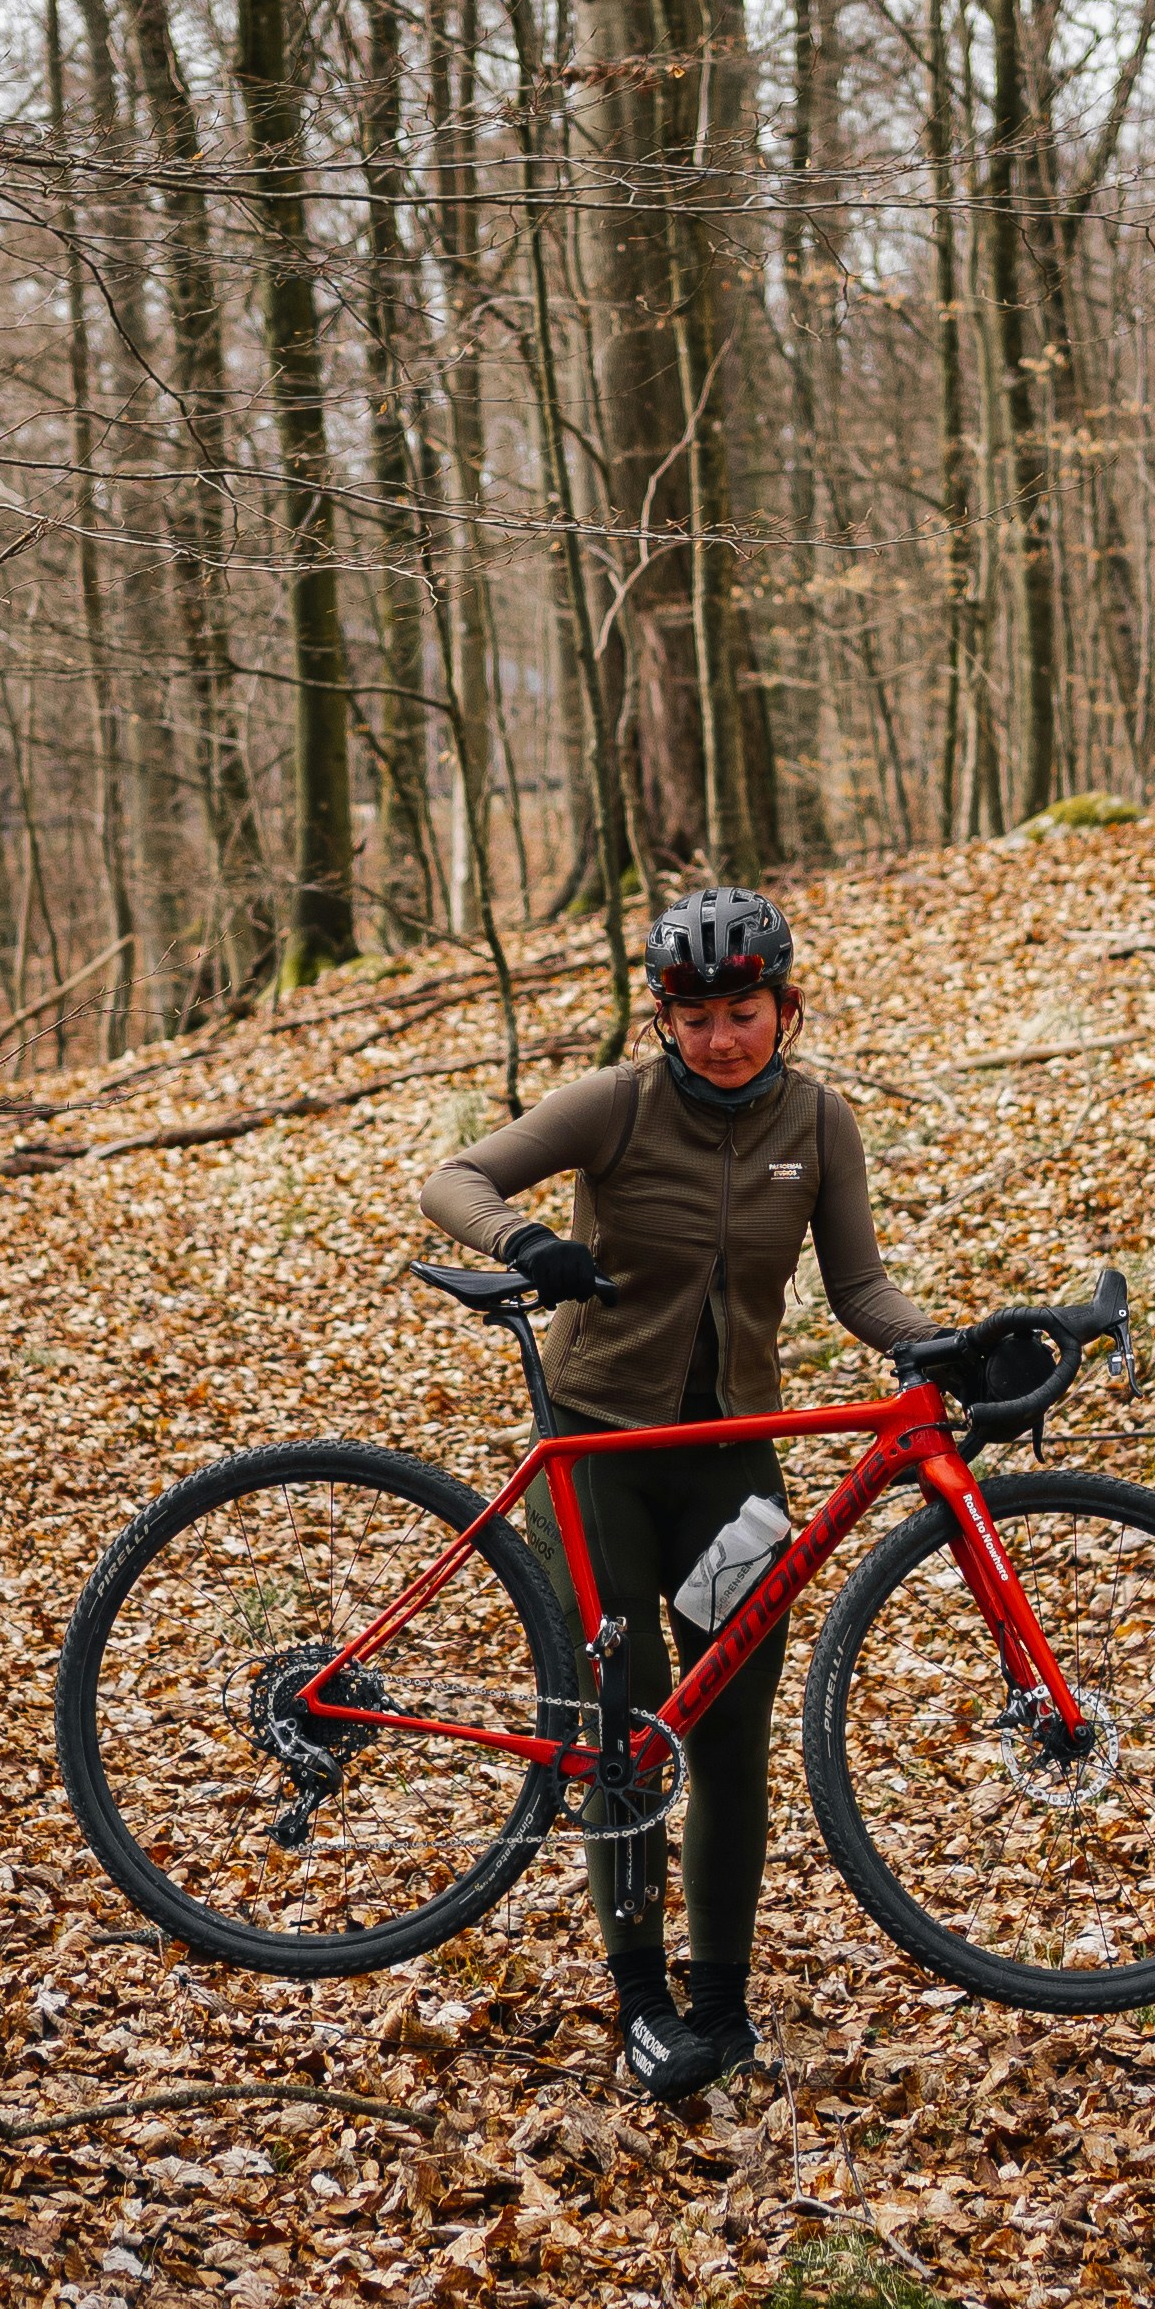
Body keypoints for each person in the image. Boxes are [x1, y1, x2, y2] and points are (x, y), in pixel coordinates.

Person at [415, 884, 942, 2108]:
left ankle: (721, 2006)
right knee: (627, 1725)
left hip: (731, 1464)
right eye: (694, 1014)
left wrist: (941, 1343)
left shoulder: (821, 1121)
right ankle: (641, 1998)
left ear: (785, 1007)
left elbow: (861, 1289)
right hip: (596, 1455)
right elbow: (454, 1179)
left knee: (730, 1734)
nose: (719, 1037)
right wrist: (525, 1243)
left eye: (742, 1010)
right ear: (661, 1019)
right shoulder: (617, 1100)